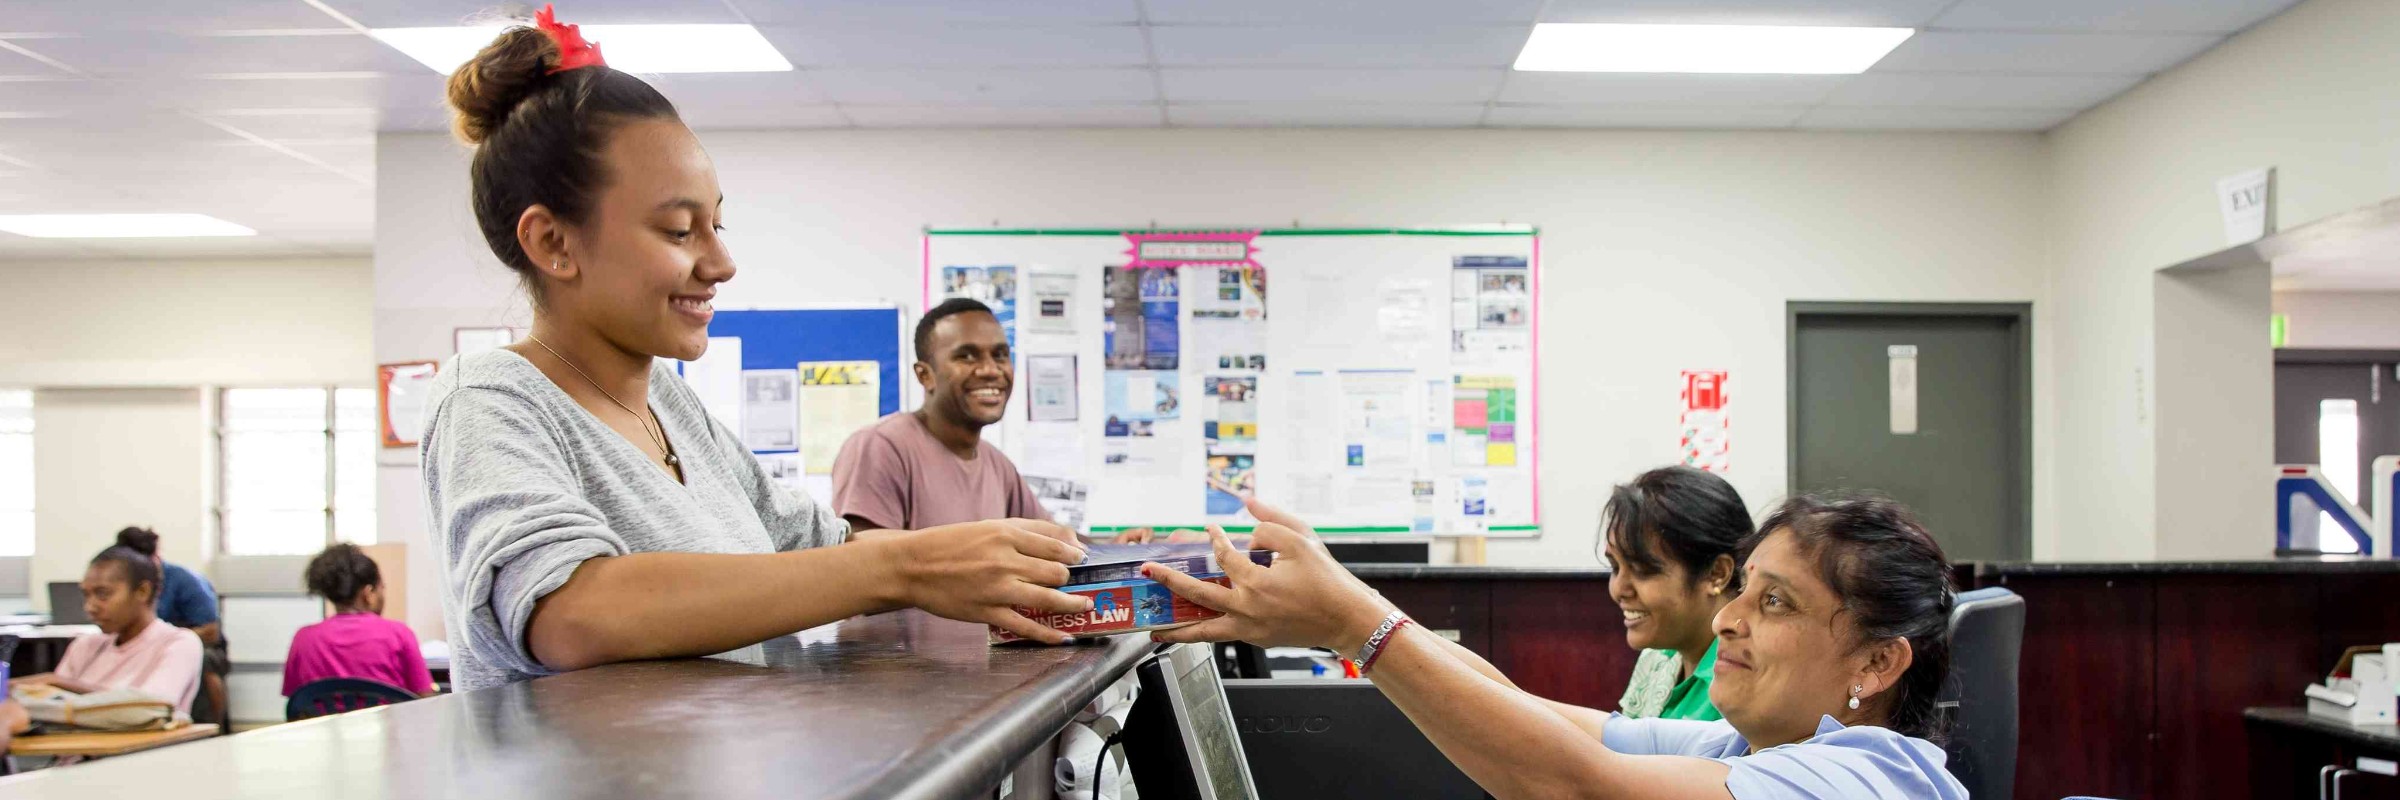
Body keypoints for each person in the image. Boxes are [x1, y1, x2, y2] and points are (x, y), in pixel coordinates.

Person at [418, 8, 1091, 691]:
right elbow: (568, 611)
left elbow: (822, 546)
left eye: (717, 224)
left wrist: (978, 556)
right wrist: (906, 568)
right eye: (681, 231)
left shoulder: (671, 406)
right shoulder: (490, 398)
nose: (721, 262)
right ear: (554, 244)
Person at [1143, 494, 1966, 799]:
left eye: (1775, 602)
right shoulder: (1746, 747)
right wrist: (1345, 596)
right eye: (1743, 588)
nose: (1728, 620)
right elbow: (1532, 717)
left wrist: (1349, 623)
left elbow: (1576, 786)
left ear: (1877, 661)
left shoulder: (1864, 780)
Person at [832, 298, 1152, 543]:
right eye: (966, 356)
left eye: (999, 355)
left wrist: (1113, 545)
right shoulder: (880, 447)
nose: (990, 370)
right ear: (925, 375)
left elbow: (1055, 540)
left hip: (984, 633)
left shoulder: (996, 465)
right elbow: (863, 559)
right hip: (902, 634)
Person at [0, 546, 206, 745]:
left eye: (103, 594)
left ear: (142, 591)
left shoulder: (179, 642)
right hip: (71, 761)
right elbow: (53, 703)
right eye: (86, 595)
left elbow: (149, 705)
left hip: (138, 764)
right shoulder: (86, 644)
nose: (90, 607)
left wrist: (57, 681)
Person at [1602, 466, 1752, 721]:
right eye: (1616, 567)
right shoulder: (1657, 659)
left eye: (1642, 570)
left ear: (1717, 573)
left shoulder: (1747, 677)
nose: (1619, 590)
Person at [284, 544, 436, 698]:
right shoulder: (398, 634)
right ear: (368, 593)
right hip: (386, 723)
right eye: (381, 588)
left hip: (325, 723)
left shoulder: (304, 638)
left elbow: (295, 701)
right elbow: (425, 699)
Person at [110, 526, 227, 727]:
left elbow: (211, 631)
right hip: (142, 645)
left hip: (199, 643)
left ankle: (210, 727)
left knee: (201, 659)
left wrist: (165, 640)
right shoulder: (120, 583)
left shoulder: (184, 579)